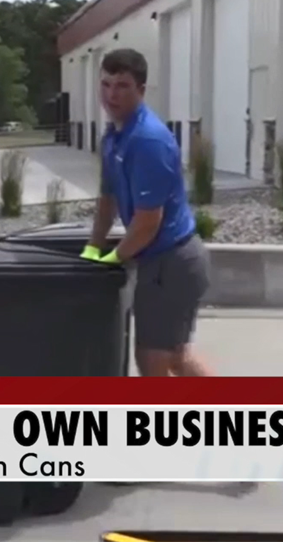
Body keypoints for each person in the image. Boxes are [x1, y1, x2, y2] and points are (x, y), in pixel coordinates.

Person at [81, 48, 214, 377]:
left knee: (155, 361)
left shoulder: (147, 140)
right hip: (160, 262)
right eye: (106, 84)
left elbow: (147, 223)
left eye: (123, 86)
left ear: (141, 90)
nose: (112, 94)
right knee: (175, 357)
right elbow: (107, 199)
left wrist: (115, 258)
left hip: (172, 263)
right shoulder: (115, 136)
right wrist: (92, 248)